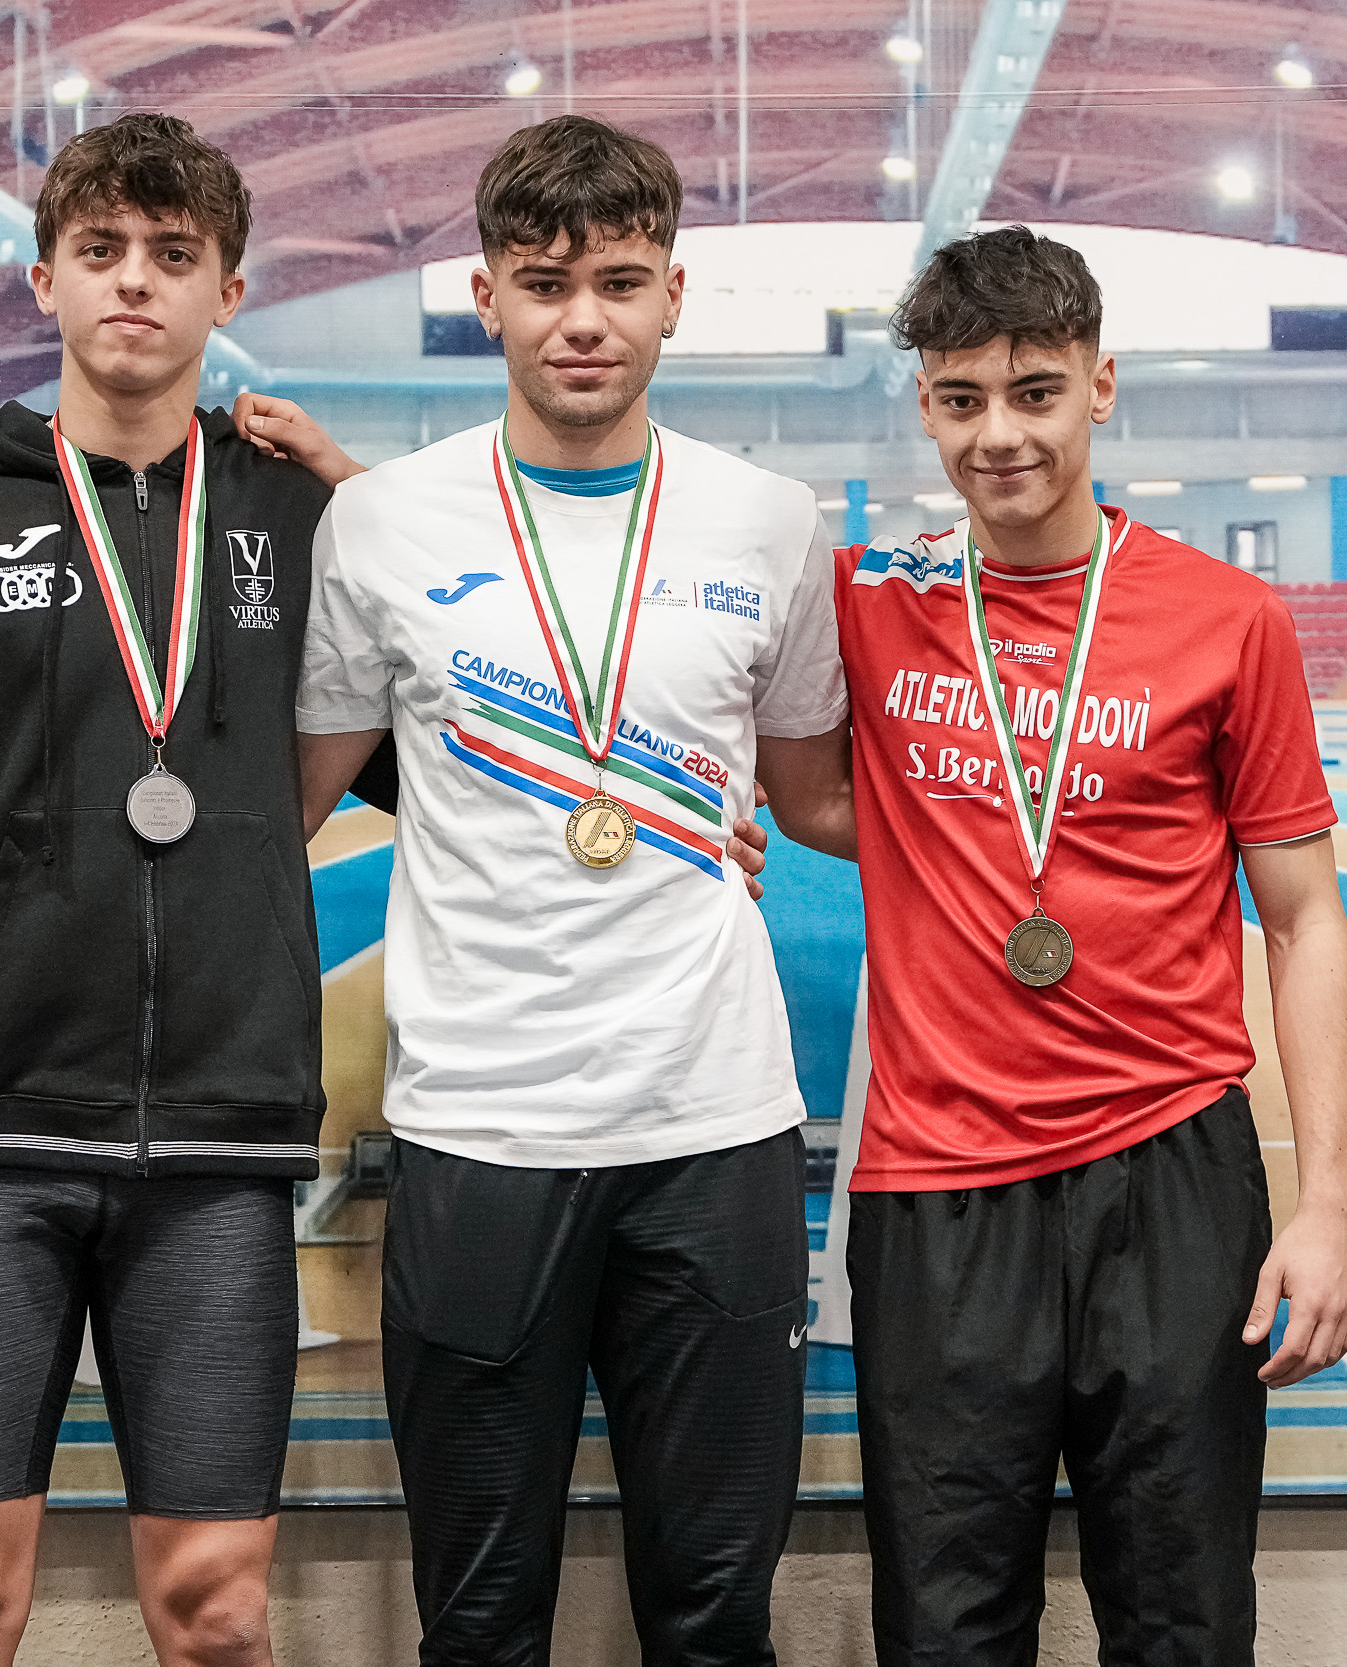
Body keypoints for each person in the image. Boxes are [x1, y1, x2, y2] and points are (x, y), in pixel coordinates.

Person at [0, 112, 361, 1667]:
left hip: (220, 1150)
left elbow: (448, 731)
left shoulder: (299, 521)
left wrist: (683, 813)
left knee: (219, 1617)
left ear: (227, 290)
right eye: (101, 251)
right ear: (43, 279)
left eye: (174, 255)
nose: (134, 283)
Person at [292, 114, 849, 1666]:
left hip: (713, 1128)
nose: (582, 320)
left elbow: (812, 795)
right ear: (488, 299)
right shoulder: (380, 522)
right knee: (479, 1625)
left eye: (617, 282)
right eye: (544, 285)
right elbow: (286, 798)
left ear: (674, 295)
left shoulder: (769, 520)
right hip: (481, 1128)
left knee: (716, 1618)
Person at [770, 225, 1347, 1663]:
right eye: (962, 398)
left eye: (1035, 392)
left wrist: (1333, 1205)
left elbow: (1303, 918)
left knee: (1182, 1619)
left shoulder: (1231, 618)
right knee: (946, 1628)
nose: (1000, 435)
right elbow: (789, 768)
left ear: (1101, 384)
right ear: (925, 405)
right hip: (935, 1184)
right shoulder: (868, 597)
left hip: (1170, 1173)